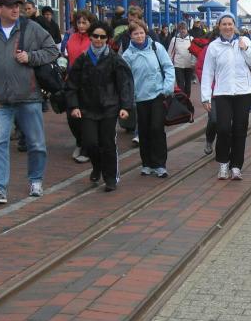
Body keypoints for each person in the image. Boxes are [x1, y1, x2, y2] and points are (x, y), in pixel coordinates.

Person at [0, 0, 59, 204]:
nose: (15, 10)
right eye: (10, 6)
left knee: (36, 143)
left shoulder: (31, 28)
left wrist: (31, 57)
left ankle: (36, 180)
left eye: (17, 6)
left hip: (29, 97)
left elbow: (52, 50)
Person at [65, 22, 134, 192]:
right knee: (90, 143)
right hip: (87, 108)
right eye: (95, 36)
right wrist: (74, 106)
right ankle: (97, 167)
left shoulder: (115, 59)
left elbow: (124, 84)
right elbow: (71, 85)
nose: (98, 39)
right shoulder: (82, 59)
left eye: (102, 37)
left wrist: (125, 107)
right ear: (90, 37)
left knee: (107, 143)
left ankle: (110, 177)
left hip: (109, 108)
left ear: (107, 39)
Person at [200, 12, 251, 181]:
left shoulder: (245, 41)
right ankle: (223, 163)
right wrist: (205, 96)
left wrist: (246, 49)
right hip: (223, 93)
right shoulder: (214, 46)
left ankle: (236, 166)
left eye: (230, 24)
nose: (227, 27)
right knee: (223, 128)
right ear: (219, 27)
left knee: (240, 129)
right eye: (224, 24)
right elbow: (207, 72)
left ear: (234, 26)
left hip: (243, 92)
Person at [122, 19, 175, 178]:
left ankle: (160, 164)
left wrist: (167, 88)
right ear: (130, 36)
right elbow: (125, 78)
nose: (139, 36)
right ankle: (147, 164)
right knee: (144, 131)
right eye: (135, 33)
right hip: (140, 98)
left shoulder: (156, 47)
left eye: (141, 33)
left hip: (158, 94)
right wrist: (129, 98)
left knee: (157, 128)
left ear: (146, 33)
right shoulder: (127, 55)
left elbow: (168, 67)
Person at [64, 10, 96, 163]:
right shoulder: (72, 37)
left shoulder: (95, 38)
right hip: (72, 80)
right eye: (79, 22)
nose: (81, 25)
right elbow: (68, 57)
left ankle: (86, 147)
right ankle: (79, 141)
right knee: (71, 115)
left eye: (85, 22)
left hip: (89, 82)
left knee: (86, 115)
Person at [188, 29, 215, 154]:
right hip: (212, 91)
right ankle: (209, 140)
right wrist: (207, 83)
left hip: (228, 91)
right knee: (214, 119)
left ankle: (224, 147)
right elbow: (199, 68)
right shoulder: (208, 49)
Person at [167, 21, 195, 98]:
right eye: (181, 29)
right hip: (178, 65)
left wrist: (193, 63)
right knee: (180, 84)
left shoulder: (191, 39)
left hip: (189, 65)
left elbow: (194, 53)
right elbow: (170, 52)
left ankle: (187, 98)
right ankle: (182, 100)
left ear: (187, 29)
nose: (183, 30)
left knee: (188, 85)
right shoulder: (174, 40)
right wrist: (169, 64)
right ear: (178, 30)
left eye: (184, 29)